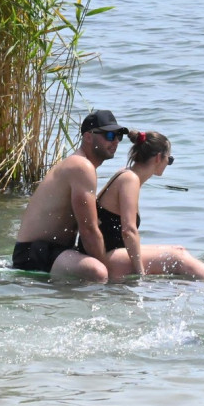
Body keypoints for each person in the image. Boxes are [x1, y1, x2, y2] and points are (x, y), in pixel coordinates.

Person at [78, 130, 204, 281]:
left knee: (178, 249)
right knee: (177, 257)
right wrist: (140, 274)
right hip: (106, 256)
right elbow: (129, 231)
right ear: (159, 157)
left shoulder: (126, 174)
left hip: (109, 253)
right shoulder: (130, 179)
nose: (168, 163)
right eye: (169, 159)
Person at [12, 109, 129, 282]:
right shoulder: (81, 166)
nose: (115, 141)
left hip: (55, 250)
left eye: (119, 136)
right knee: (98, 272)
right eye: (109, 135)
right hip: (33, 252)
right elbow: (88, 229)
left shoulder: (81, 165)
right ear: (88, 137)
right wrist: (107, 266)